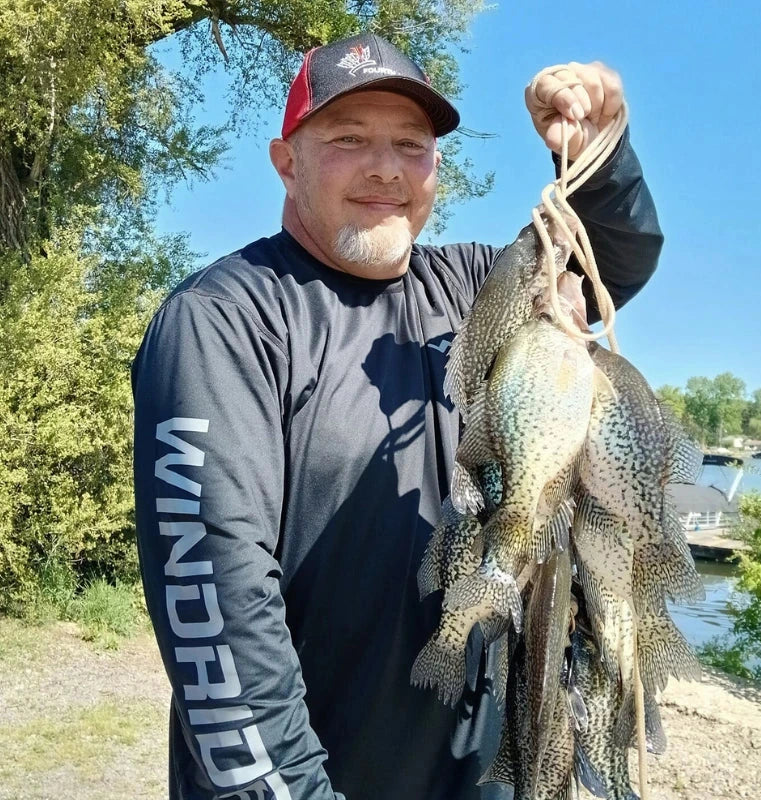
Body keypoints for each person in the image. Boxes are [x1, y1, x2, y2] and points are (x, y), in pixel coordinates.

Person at [132, 33, 663, 800]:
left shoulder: (483, 287)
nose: (385, 168)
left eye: (410, 146)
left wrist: (597, 151)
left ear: (434, 168)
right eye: (349, 140)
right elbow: (217, 604)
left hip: (481, 771)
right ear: (287, 162)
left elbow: (606, 257)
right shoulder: (224, 321)